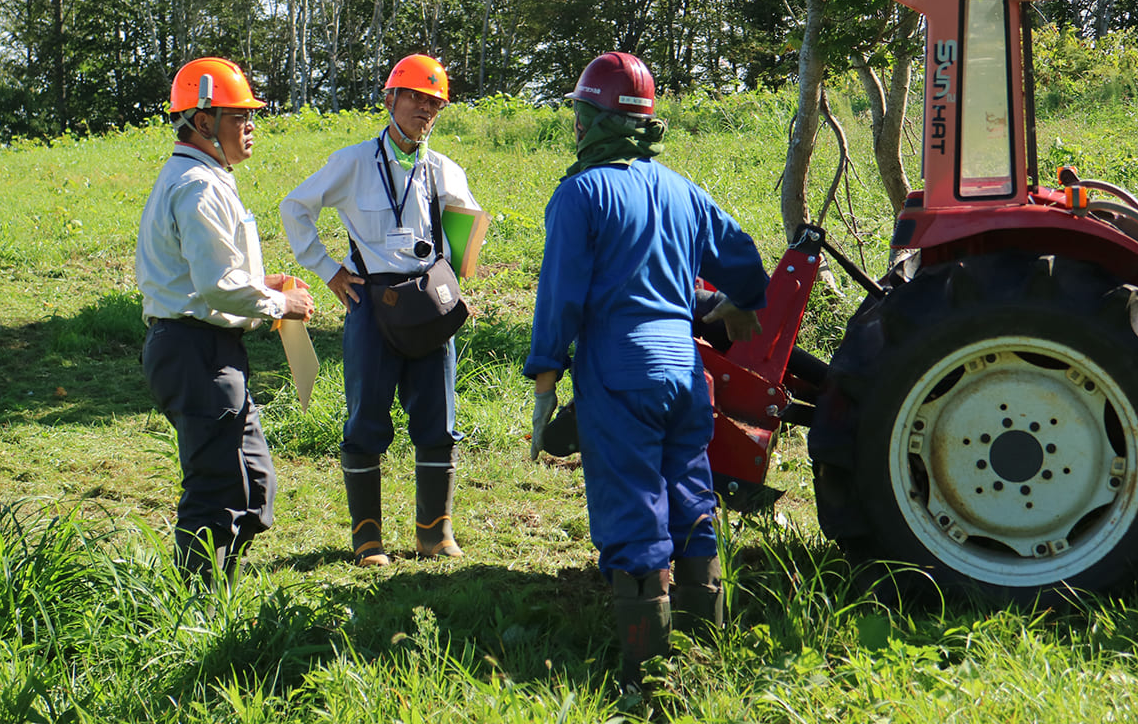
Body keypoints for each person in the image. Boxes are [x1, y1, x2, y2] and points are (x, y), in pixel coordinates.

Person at [523, 51, 770, 689]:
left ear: (592, 120)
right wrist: (739, 305)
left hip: (619, 369)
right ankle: (707, 655)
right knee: (690, 495)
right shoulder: (682, 190)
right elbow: (742, 255)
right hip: (686, 372)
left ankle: (646, 674)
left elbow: (562, 294)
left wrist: (547, 374)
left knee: (631, 505)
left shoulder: (581, 193)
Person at [280, 54, 480, 566]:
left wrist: (456, 283)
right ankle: (366, 538)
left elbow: (466, 237)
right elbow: (294, 207)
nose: (424, 109)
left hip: (430, 307)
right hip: (370, 303)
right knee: (366, 418)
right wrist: (327, 269)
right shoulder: (352, 162)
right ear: (390, 99)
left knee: (438, 417)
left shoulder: (445, 171)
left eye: (434, 102)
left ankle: (434, 533)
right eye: (414, 97)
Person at [136, 56, 315, 583]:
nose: (251, 127)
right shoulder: (199, 185)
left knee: (254, 487)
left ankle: (217, 591)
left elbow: (209, 275)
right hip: (197, 351)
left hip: (207, 349)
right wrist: (281, 304)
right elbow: (215, 286)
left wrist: (266, 286)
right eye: (239, 116)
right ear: (203, 120)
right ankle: (200, 611)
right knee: (216, 490)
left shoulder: (203, 177)